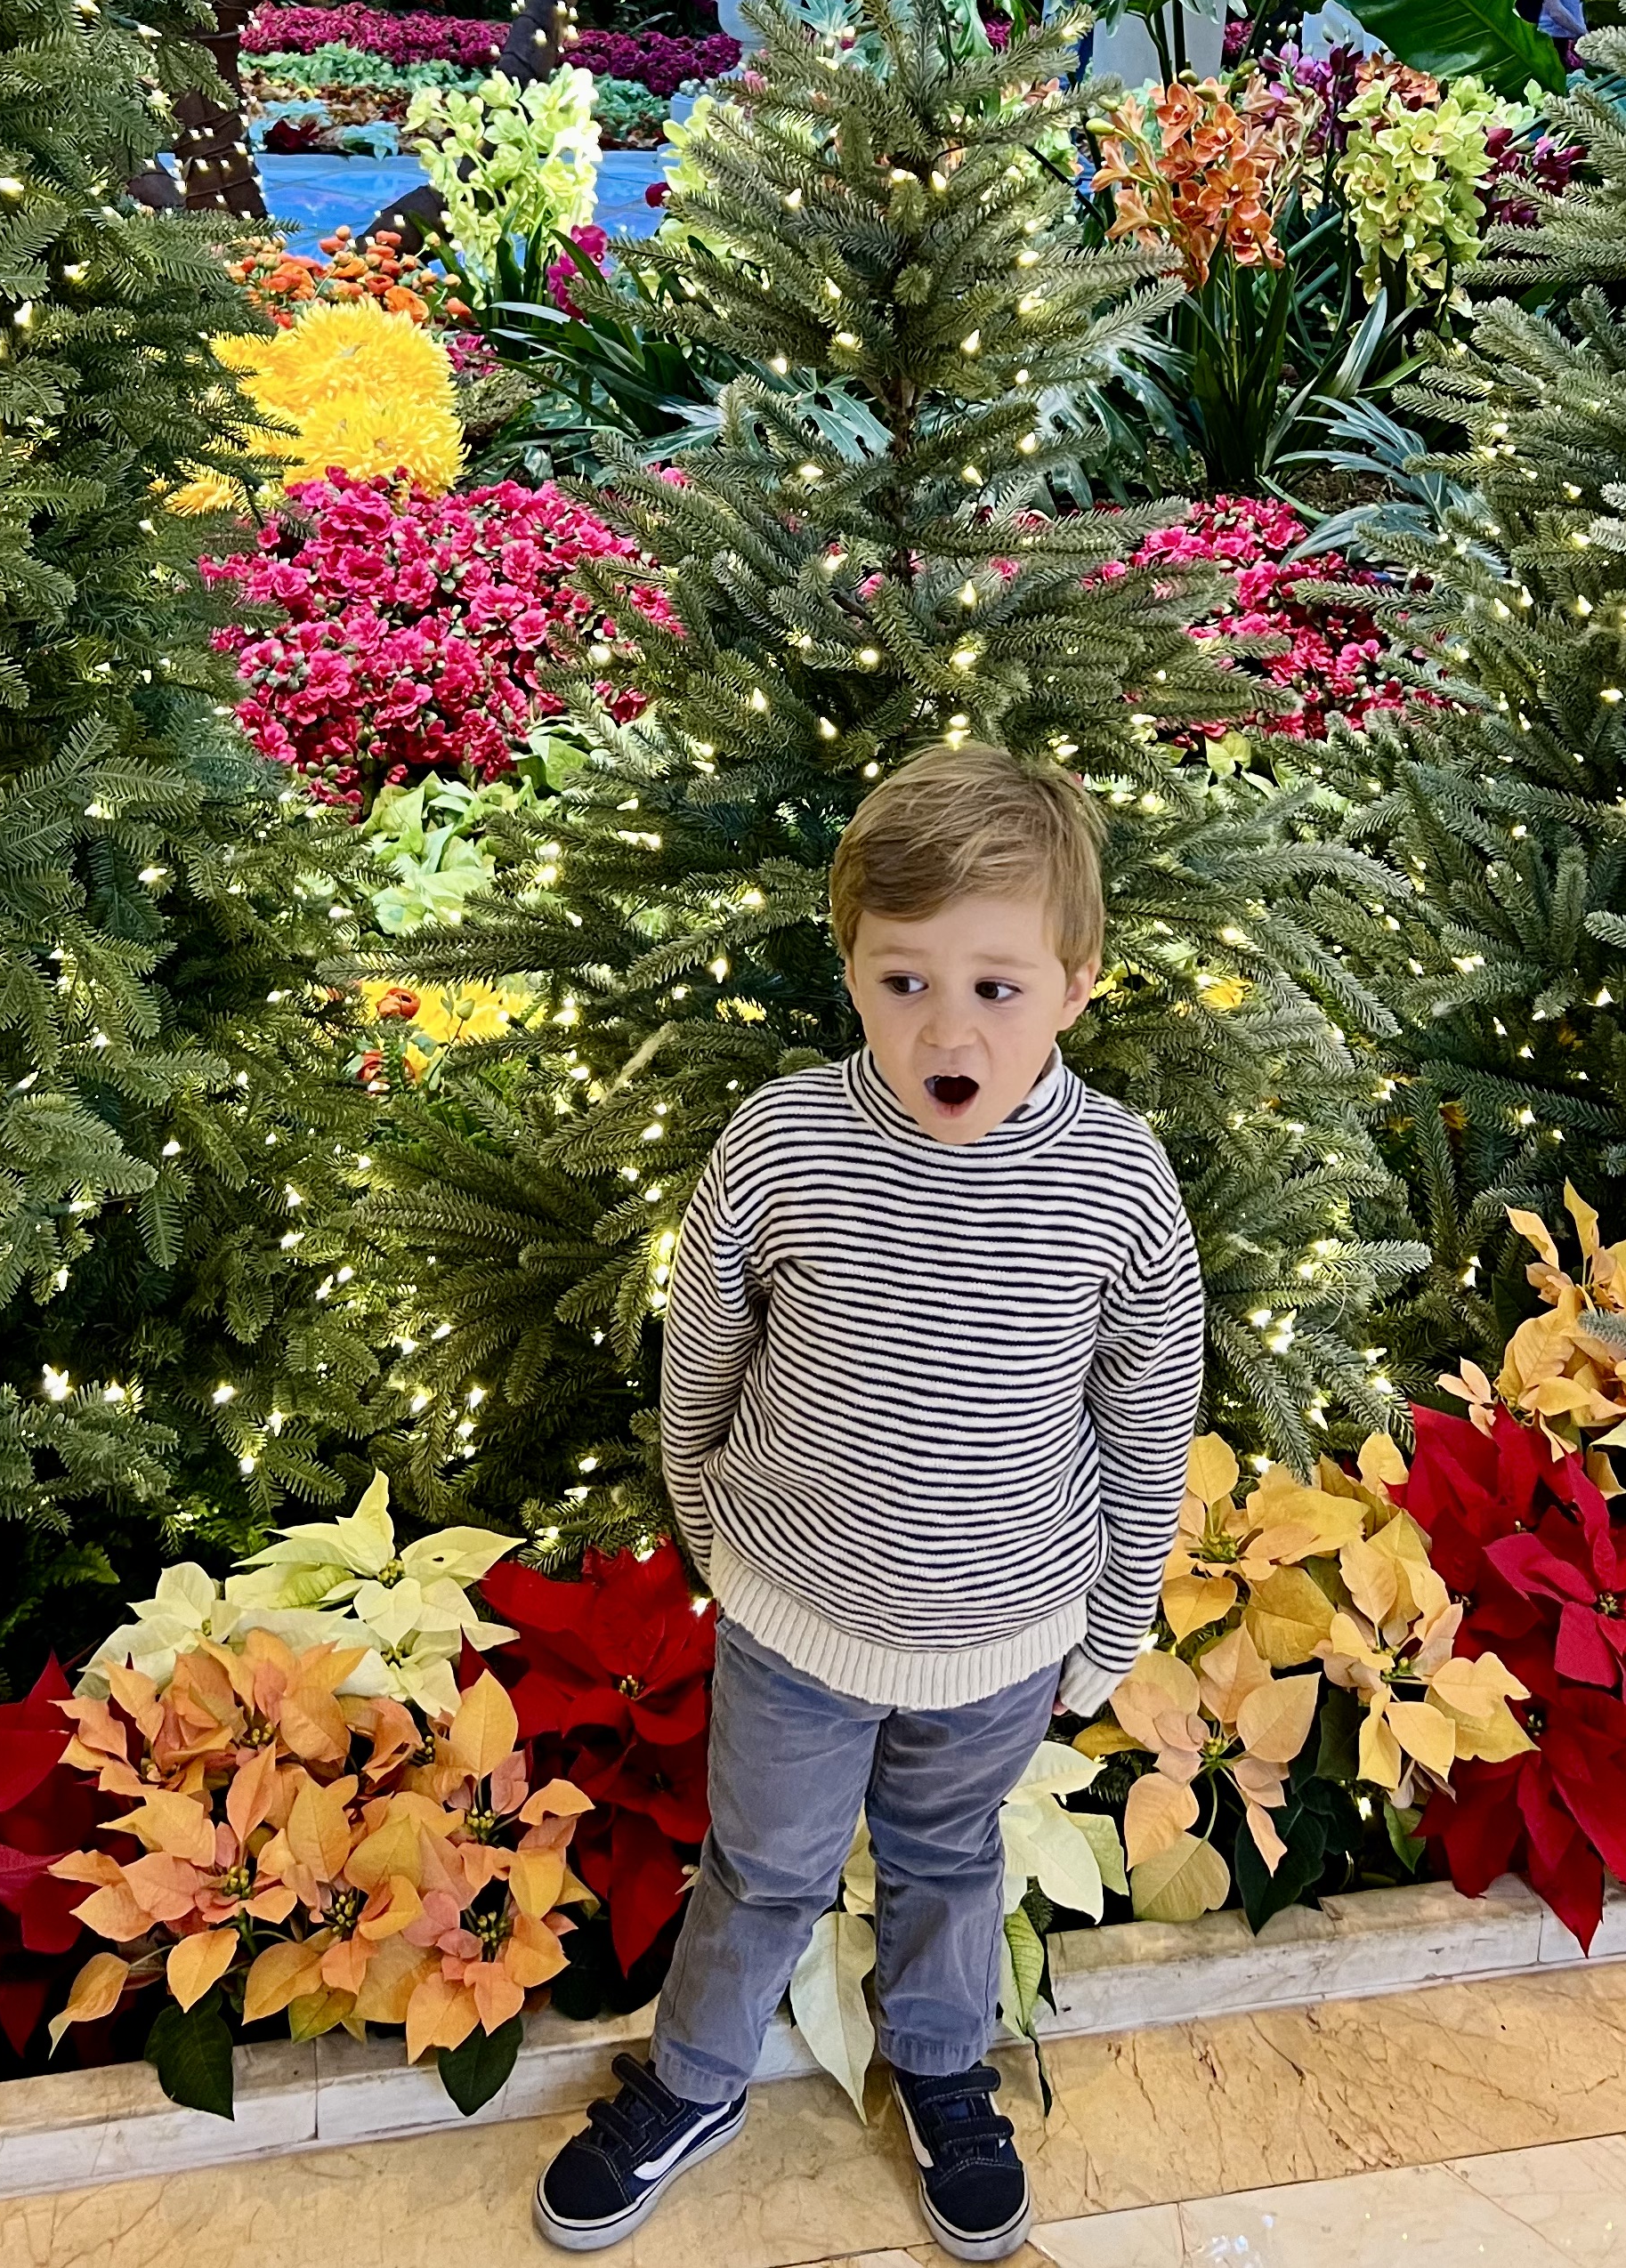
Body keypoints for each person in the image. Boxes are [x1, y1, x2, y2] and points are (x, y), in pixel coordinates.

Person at [533, 743, 1205, 2262]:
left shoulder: (1118, 1180)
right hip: (795, 1615)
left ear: (1077, 983)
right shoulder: (786, 1139)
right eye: (905, 982)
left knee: (949, 1862)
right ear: (849, 968)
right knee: (760, 1865)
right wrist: (713, 1519)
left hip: (1002, 1633)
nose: (948, 1027)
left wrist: (1105, 1630)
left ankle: (944, 2067)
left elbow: (1148, 1413)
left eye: (996, 986)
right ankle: (696, 2075)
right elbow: (702, 1339)